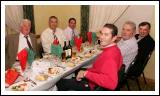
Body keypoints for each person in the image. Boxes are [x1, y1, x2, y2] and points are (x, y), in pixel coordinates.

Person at [56, 23, 123, 91]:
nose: (101, 37)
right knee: (78, 70)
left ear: (114, 38)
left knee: (59, 82)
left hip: (92, 86)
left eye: (106, 35)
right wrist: (86, 72)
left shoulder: (109, 56)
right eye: (101, 33)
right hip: (94, 79)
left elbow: (111, 83)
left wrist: (86, 73)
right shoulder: (116, 49)